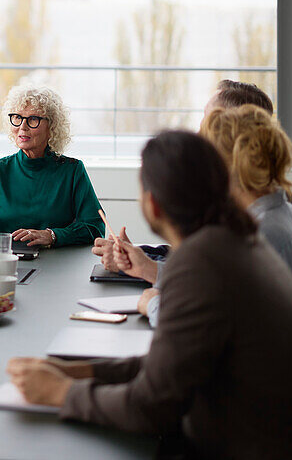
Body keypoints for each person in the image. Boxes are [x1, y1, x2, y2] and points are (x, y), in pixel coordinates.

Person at [6, 131, 292, 460]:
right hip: (282, 436)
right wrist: (78, 371)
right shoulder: (236, 241)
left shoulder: (201, 262)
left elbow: (150, 409)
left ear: (152, 204)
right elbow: (168, 366)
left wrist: (60, 392)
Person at [91, 79, 278, 307]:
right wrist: (140, 259)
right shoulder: (253, 207)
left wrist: (152, 297)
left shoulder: (261, 230)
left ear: (233, 132)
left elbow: (211, 303)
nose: (199, 132)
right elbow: (203, 269)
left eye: (209, 122)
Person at [0, 84, 102, 247]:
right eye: (17, 117)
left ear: (51, 127)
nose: (22, 127)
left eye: (33, 119)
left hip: (58, 264)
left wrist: (53, 236)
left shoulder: (72, 170)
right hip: (3, 261)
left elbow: (95, 227)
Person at [200, 103, 292, 296]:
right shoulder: (286, 214)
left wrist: (154, 305)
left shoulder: (261, 235)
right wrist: (150, 269)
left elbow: (209, 310)